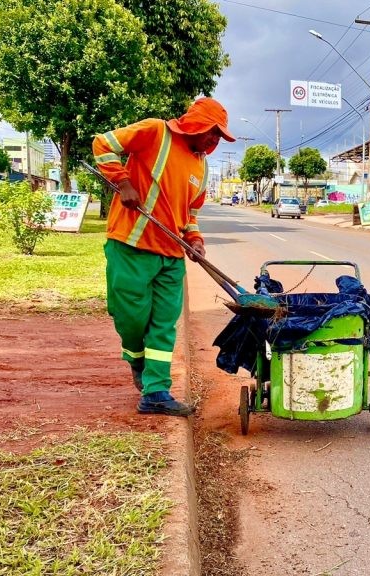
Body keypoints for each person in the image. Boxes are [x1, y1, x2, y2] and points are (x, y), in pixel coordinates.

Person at [93, 97, 235, 416]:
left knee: (163, 324)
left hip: (171, 256)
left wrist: (195, 239)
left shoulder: (201, 164)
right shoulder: (156, 132)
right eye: (214, 133)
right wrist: (124, 182)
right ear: (196, 125)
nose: (215, 141)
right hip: (131, 245)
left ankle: (156, 391)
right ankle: (137, 359)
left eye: (220, 137)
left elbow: (192, 212)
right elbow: (103, 144)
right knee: (131, 319)